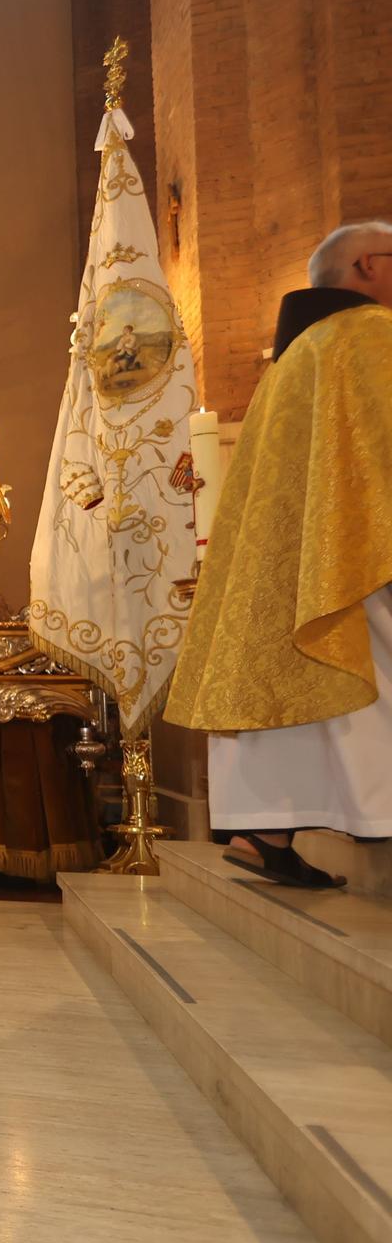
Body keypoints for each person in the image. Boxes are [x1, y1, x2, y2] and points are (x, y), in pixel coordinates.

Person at [167, 222, 392, 889]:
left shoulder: (292, 358)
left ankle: (264, 828)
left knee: (293, 685)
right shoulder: (371, 337)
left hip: (286, 555)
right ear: (368, 265)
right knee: (362, 679)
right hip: (354, 545)